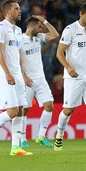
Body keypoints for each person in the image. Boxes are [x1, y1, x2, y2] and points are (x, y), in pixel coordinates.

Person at [0, 0, 32, 156]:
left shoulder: (17, 30)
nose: (20, 11)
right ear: (8, 11)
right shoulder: (0, 28)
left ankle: (15, 147)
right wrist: (8, 73)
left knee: (21, 109)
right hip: (5, 74)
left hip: (17, 74)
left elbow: (18, 55)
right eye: (16, 8)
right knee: (12, 110)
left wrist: (23, 75)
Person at [54, 2, 86, 151]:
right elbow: (59, 52)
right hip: (73, 76)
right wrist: (68, 68)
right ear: (80, 14)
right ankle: (59, 134)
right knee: (69, 110)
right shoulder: (70, 30)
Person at [19, 15, 60, 148]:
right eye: (39, 26)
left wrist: (44, 21)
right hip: (27, 80)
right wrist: (24, 77)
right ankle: (22, 139)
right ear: (31, 26)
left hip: (40, 79)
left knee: (49, 105)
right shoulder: (20, 40)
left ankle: (41, 136)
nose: (41, 28)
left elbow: (54, 34)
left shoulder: (38, 37)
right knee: (24, 110)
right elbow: (17, 61)